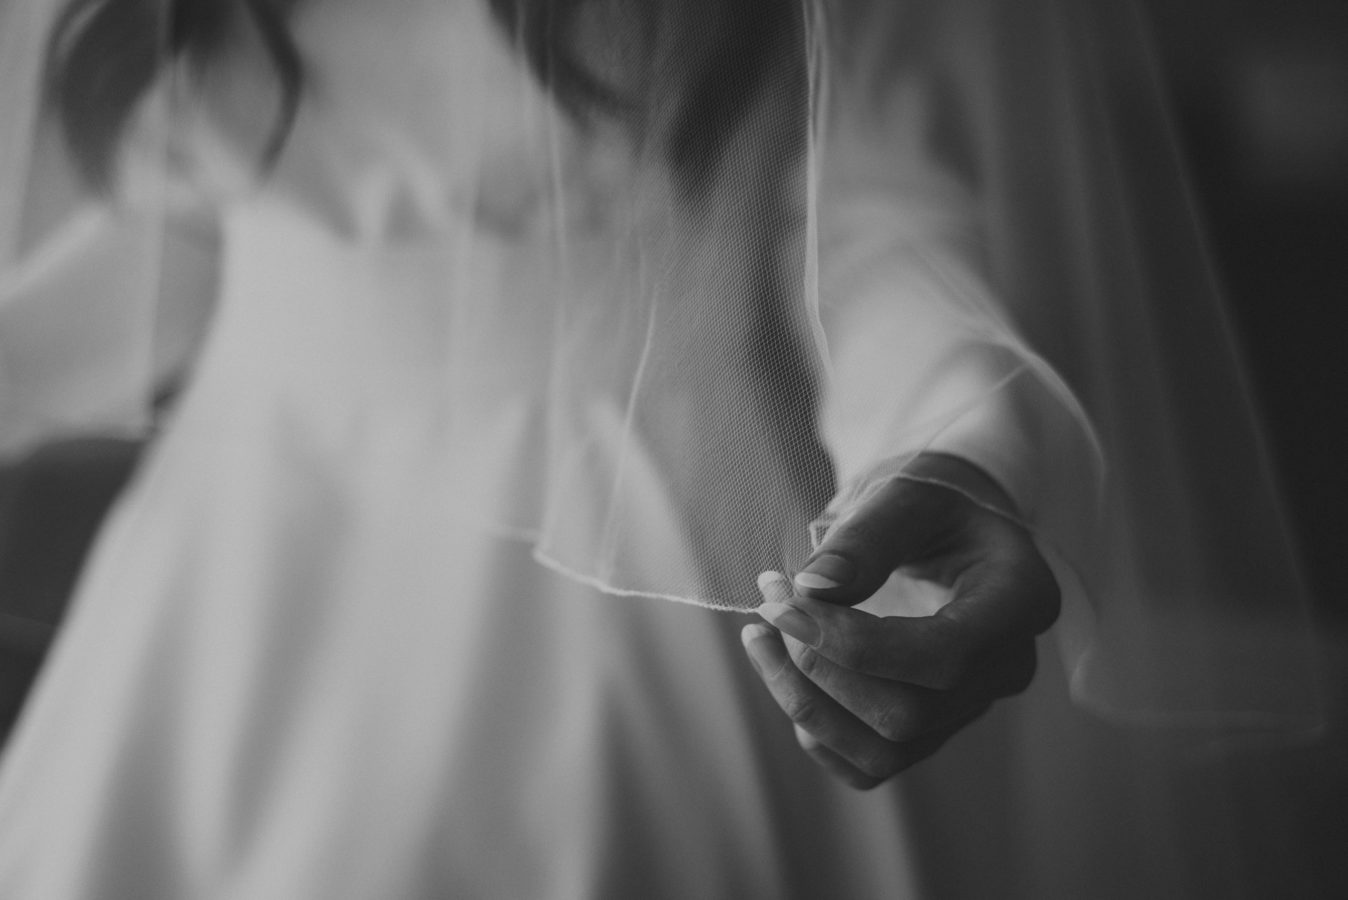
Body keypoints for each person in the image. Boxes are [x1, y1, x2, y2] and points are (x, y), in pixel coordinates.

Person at [0, 0, 1322, 897]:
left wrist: (966, 447)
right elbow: (148, 254)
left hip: (610, 573)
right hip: (230, 580)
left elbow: (876, 235)